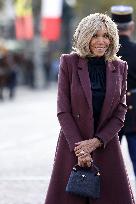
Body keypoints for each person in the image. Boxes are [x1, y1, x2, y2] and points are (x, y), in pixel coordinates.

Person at [45, 13, 135, 204]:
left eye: (106, 35)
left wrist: (96, 142)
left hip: (106, 145)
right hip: (73, 146)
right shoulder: (68, 62)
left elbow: (120, 111)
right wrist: (81, 149)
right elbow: (63, 110)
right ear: (85, 37)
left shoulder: (120, 66)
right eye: (95, 35)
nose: (101, 41)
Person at [111, 5, 136, 180]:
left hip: (110, 114)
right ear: (132, 26)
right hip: (135, 114)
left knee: (106, 165)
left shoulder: (105, 52)